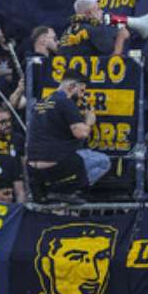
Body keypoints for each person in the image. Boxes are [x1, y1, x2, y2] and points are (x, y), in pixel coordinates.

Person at [26, 67, 109, 198]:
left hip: (33, 169)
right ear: (71, 86)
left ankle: (49, 189)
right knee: (103, 161)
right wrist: (89, 121)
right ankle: (65, 191)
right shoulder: (65, 101)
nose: (82, 95)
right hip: (57, 167)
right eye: (81, 90)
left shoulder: (41, 102)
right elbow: (81, 134)